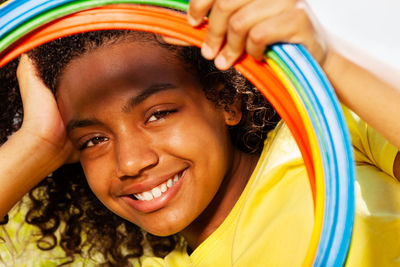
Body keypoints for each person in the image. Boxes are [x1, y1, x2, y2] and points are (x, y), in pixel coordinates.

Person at [1, 0, 400, 266]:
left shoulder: (327, 137)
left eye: (158, 114)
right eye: (93, 140)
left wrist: (325, 57)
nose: (131, 161)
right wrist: (36, 144)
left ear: (226, 102)